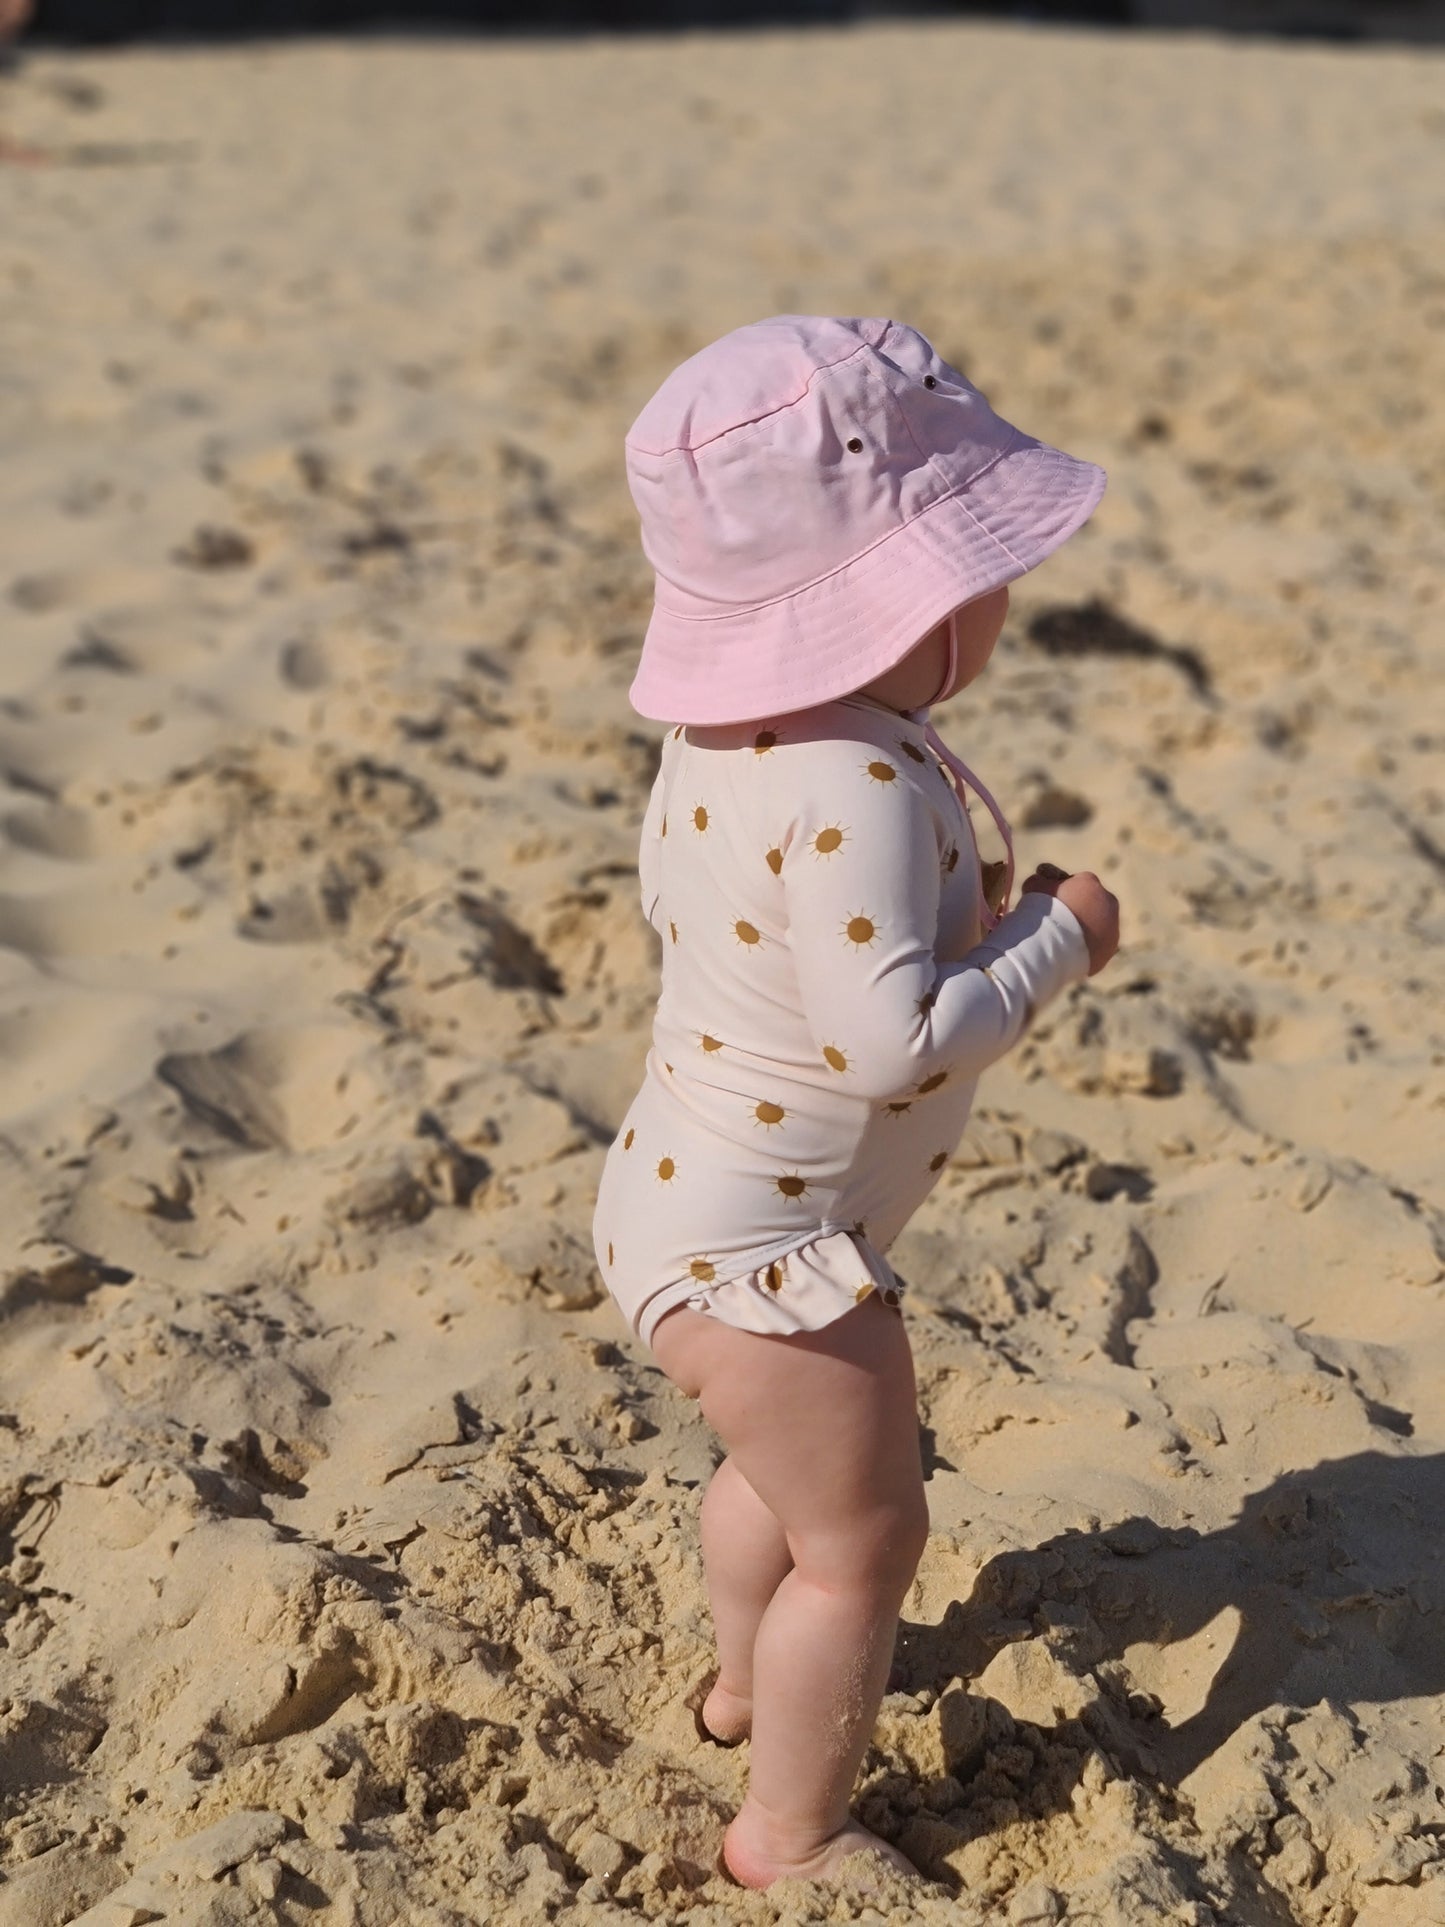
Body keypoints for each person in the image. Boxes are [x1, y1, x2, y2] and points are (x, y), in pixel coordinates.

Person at [590, 314, 1121, 1892]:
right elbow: (894, 1045)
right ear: (910, 603)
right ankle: (788, 1829)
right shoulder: (863, 783)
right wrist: (1053, 944)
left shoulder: (729, 743)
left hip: (683, 1192)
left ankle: (747, 1687)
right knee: (866, 1537)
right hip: (773, 1246)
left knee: (780, 1476)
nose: (1003, 599)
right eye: (983, 573)